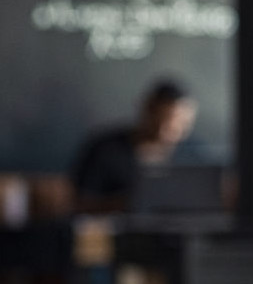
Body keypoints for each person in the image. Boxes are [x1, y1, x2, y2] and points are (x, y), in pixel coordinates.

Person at [68, 79, 198, 213]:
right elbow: (78, 203)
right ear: (148, 110)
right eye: (165, 121)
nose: (172, 131)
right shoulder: (105, 150)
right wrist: (127, 203)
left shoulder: (195, 154)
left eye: (182, 124)